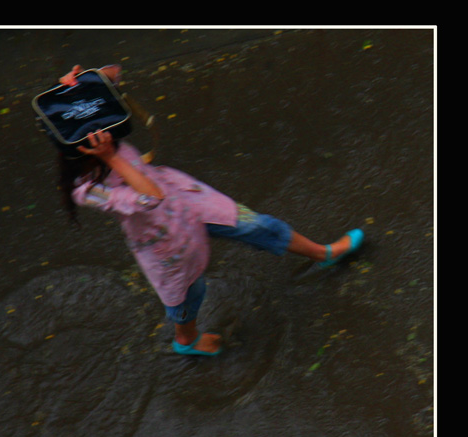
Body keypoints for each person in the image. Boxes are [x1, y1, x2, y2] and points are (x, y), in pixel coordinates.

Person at [55, 65, 364, 357]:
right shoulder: (86, 191)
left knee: (256, 225)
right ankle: (186, 340)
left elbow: (115, 74)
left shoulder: (100, 132)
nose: (105, 134)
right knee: (188, 293)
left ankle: (323, 254)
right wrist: (111, 158)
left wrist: (80, 89)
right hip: (163, 238)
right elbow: (151, 198)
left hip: (188, 199)